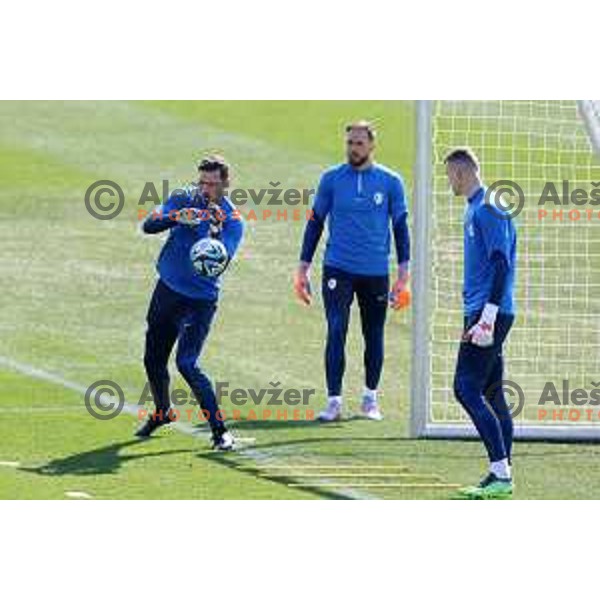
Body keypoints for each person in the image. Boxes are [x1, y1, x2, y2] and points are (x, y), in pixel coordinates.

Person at [294, 121, 410, 422]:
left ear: (372, 146)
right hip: (338, 267)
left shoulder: (390, 181)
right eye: (349, 143)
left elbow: (400, 228)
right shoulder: (331, 179)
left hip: (375, 271)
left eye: (359, 143)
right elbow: (315, 222)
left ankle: (370, 399)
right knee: (336, 329)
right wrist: (302, 269)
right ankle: (333, 401)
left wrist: (403, 275)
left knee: (374, 334)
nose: (353, 148)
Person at [137, 156, 244, 450]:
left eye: (212, 183)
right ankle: (162, 412)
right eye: (202, 182)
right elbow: (148, 225)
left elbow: (217, 263)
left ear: (225, 184)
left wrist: (214, 232)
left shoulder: (233, 222)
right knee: (153, 359)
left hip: (199, 301)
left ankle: (220, 430)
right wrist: (176, 218)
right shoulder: (183, 198)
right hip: (167, 291)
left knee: (187, 363)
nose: (205, 189)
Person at [445, 148, 517, 499]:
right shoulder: (477, 206)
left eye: (449, 176)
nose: (449, 183)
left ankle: (501, 472)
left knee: (465, 387)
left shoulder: (487, 207)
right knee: (491, 392)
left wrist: (486, 318)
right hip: (484, 310)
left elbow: (501, 263)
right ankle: (501, 473)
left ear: (461, 173)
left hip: (490, 312)